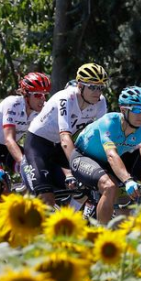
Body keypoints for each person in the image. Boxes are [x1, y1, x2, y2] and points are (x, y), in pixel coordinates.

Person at [71, 86, 141, 224]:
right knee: (110, 187)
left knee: (125, 207)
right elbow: (112, 155)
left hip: (105, 164)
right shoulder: (109, 122)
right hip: (83, 157)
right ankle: (101, 233)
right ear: (123, 110)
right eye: (137, 109)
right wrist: (127, 180)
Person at [24, 63, 109, 206]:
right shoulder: (66, 98)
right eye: (92, 87)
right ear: (80, 86)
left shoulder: (100, 102)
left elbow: (102, 135)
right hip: (38, 145)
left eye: (100, 87)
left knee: (85, 190)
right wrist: (79, 166)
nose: (97, 92)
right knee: (47, 198)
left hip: (58, 148)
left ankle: (73, 216)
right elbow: (65, 137)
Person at [0, 72, 49, 176]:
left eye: (45, 95)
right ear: (26, 94)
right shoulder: (13, 104)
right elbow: (9, 139)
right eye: (38, 95)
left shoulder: (44, 109)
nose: (42, 99)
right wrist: (23, 164)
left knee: (37, 171)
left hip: (6, 146)